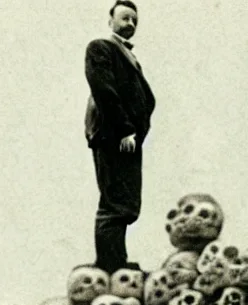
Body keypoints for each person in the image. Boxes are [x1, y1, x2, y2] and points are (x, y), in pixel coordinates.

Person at [84, 0, 155, 273]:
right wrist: (125, 129)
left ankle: (117, 260)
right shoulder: (101, 48)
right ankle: (109, 265)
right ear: (110, 20)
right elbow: (104, 90)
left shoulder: (128, 56)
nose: (130, 24)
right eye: (125, 18)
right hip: (115, 136)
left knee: (124, 202)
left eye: (134, 20)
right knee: (114, 202)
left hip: (129, 141)